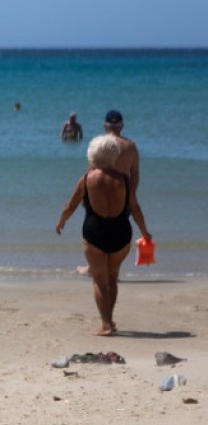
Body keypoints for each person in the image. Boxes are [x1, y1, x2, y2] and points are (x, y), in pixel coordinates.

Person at [56, 135, 151, 336]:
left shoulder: (86, 178)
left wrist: (62, 221)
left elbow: (70, 206)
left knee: (99, 279)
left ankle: (106, 324)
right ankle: (110, 320)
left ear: (92, 154)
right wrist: (145, 232)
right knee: (112, 277)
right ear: (114, 155)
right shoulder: (124, 179)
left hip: (95, 233)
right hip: (121, 234)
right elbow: (135, 208)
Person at [103, 109, 139, 190]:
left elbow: (91, 172)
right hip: (122, 188)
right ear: (122, 126)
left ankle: (71, 203)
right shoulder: (131, 146)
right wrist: (131, 195)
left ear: (105, 126)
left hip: (102, 188)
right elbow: (135, 175)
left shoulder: (100, 144)